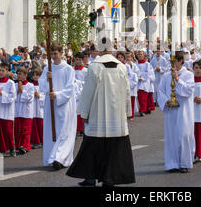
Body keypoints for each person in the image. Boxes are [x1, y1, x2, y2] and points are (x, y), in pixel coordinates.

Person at [67, 38, 135, 187]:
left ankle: (91, 177)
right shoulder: (121, 67)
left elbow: (88, 92)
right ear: (111, 49)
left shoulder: (94, 67)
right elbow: (126, 91)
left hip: (98, 115)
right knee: (113, 148)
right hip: (116, 116)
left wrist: (84, 113)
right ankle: (109, 178)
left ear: (100, 49)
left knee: (93, 147)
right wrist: (128, 111)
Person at [39, 42, 77, 170]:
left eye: (55, 53)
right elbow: (42, 86)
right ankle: (53, 156)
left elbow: (70, 88)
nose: (53, 56)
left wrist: (57, 94)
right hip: (51, 104)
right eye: (52, 54)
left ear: (61, 53)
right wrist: (48, 79)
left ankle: (61, 158)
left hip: (64, 104)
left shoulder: (68, 69)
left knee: (64, 132)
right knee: (52, 130)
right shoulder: (47, 69)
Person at [157, 51, 195, 173]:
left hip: (184, 110)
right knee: (171, 137)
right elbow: (160, 91)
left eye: (174, 62)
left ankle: (184, 163)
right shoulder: (166, 76)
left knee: (184, 135)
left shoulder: (188, 75)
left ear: (180, 61)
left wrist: (178, 80)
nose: (172, 64)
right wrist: (165, 101)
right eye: (170, 62)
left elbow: (188, 92)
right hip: (171, 112)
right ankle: (172, 163)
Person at [14, 67, 34, 155]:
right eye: (17, 74)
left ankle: (25, 146)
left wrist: (22, 90)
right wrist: (17, 91)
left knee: (25, 130)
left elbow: (29, 98)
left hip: (26, 112)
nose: (18, 76)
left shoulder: (30, 85)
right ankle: (18, 145)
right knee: (18, 130)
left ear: (25, 75)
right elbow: (12, 98)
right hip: (17, 111)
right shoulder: (14, 85)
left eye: (20, 74)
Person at [136, 50, 155, 116]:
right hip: (138, 82)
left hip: (145, 82)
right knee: (139, 97)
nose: (140, 56)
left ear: (144, 55)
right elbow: (134, 72)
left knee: (143, 97)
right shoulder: (136, 64)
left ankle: (142, 110)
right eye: (139, 54)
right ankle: (145, 108)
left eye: (141, 54)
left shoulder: (147, 64)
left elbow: (148, 73)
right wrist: (137, 77)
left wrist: (141, 76)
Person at [74, 53, 87, 136]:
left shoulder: (85, 70)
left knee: (81, 111)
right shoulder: (72, 70)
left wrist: (78, 83)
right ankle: (75, 128)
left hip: (82, 92)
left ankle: (81, 128)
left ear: (83, 60)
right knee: (75, 111)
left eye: (79, 60)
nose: (78, 61)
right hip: (74, 93)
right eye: (76, 59)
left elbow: (87, 82)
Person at [31, 68, 45, 149]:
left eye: (37, 75)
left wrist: (39, 96)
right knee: (34, 125)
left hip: (40, 109)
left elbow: (45, 96)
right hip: (33, 107)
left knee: (40, 124)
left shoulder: (42, 85)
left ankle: (43, 140)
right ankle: (35, 141)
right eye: (34, 75)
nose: (35, 77)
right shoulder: (31, 85)